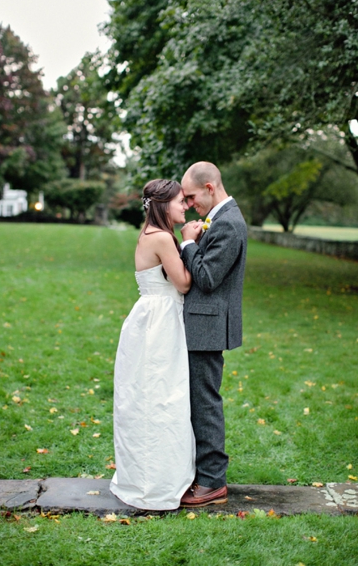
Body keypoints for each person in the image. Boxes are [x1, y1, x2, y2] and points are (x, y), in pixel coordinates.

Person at [110, 179, 196, 511]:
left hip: (152, 319)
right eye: (179, 202)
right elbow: (184, 284)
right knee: (159, 397)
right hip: (159, 324)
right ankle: (155, 485)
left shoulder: (150, 233)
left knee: (152, 396)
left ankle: (153, 477)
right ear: (162, 205)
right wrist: (189, 242)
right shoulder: (162, 237)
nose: (184, 206)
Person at [178, 161, 248, 508]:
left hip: (206, 326)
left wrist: (189, 244)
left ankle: (212, 481)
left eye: (191, 197)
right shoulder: (220, 220)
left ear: (209, 188)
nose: (189, 204)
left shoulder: (229, 225)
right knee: (198, 400)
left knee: (205, 403)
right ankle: (199, 472)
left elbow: (206, 279)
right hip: (202, 323)